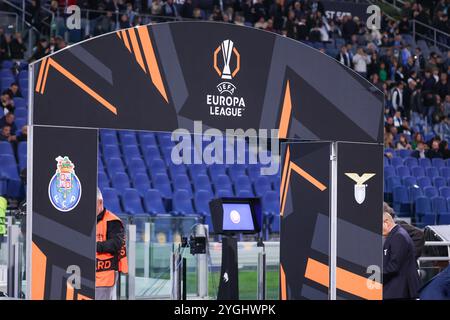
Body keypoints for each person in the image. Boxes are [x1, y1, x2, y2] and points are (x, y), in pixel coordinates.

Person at [96, 188, 128, 300]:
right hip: (87, 273)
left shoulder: (113, 221)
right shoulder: (86, 219)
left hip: (105, 273)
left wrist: (94, 246)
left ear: (100, 202)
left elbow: (116, 244)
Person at [383, 211, 420, 299]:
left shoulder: (398, 236)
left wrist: (376, 275)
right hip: (397, 288)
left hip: (400, 290)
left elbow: (394, 266)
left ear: (386, 223)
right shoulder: (396, 234)